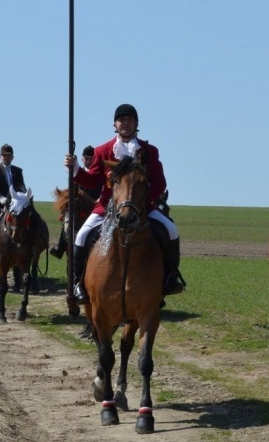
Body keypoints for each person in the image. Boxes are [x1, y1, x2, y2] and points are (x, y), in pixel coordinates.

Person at [72, 104, 185, 302]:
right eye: (121, 120)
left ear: (136, 124)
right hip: (107, 207)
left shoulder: (149, 151)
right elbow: (91, 181)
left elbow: (160, 183)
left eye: (130, 120)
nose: (125, 123)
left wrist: (139, 202)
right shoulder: (103, 150)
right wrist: (75, 170)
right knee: (81, 236)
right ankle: (78, 283)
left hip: (141, 207)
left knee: (171, 229)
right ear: (115, 124)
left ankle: (170, 278)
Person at [50, 146, 100, 259]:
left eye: (90, 159)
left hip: (95, 207)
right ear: (82, 159)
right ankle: (61, 246)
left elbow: (103, 190)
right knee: (68, 220)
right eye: (86, 159)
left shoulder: (98, 175)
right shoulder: (76, 172)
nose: (88, 161)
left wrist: (98, 200)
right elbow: (71, 190)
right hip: (79, 207)